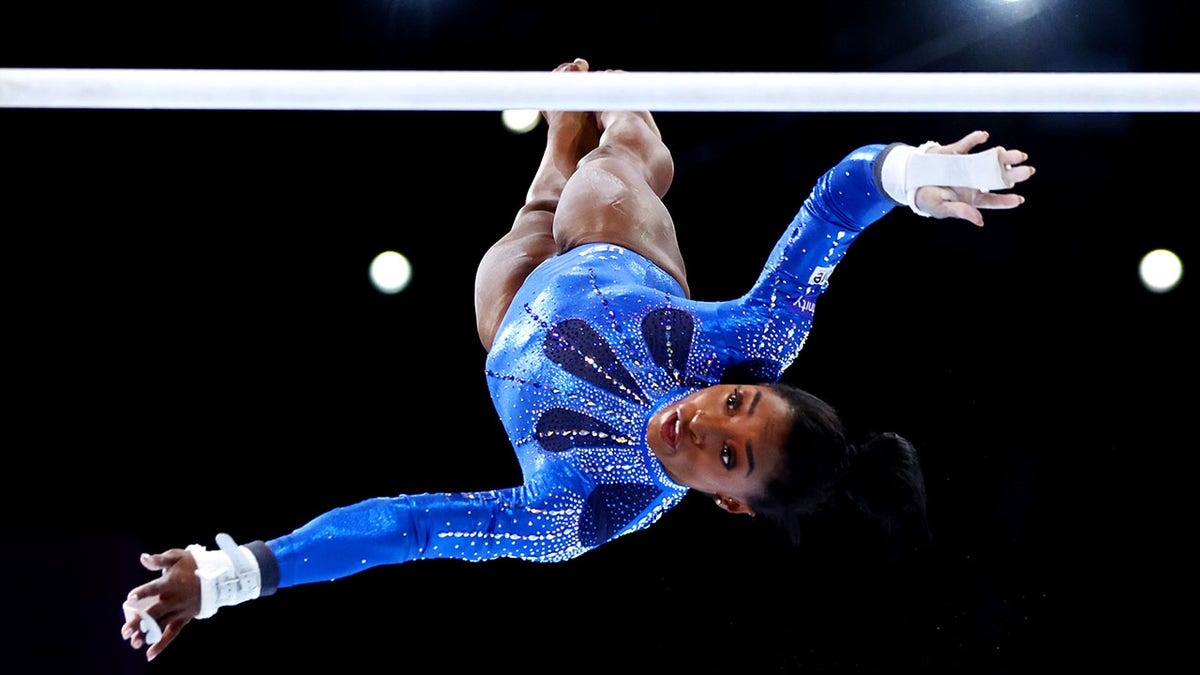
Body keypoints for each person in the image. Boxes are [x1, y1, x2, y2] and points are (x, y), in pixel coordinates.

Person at [120, 58, 1034, 661]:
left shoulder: (583, 511)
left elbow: (411, 527)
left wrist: (237, 573)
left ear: (725, 499)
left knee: (537, 210)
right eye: (739, 406)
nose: (706, 418)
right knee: (611, 172)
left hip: (513, 313)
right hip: (619, 251)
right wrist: (910, 174)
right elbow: (836, 204)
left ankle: (558, 142)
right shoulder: (756, 338)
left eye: (727, 454)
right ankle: (626, 112)